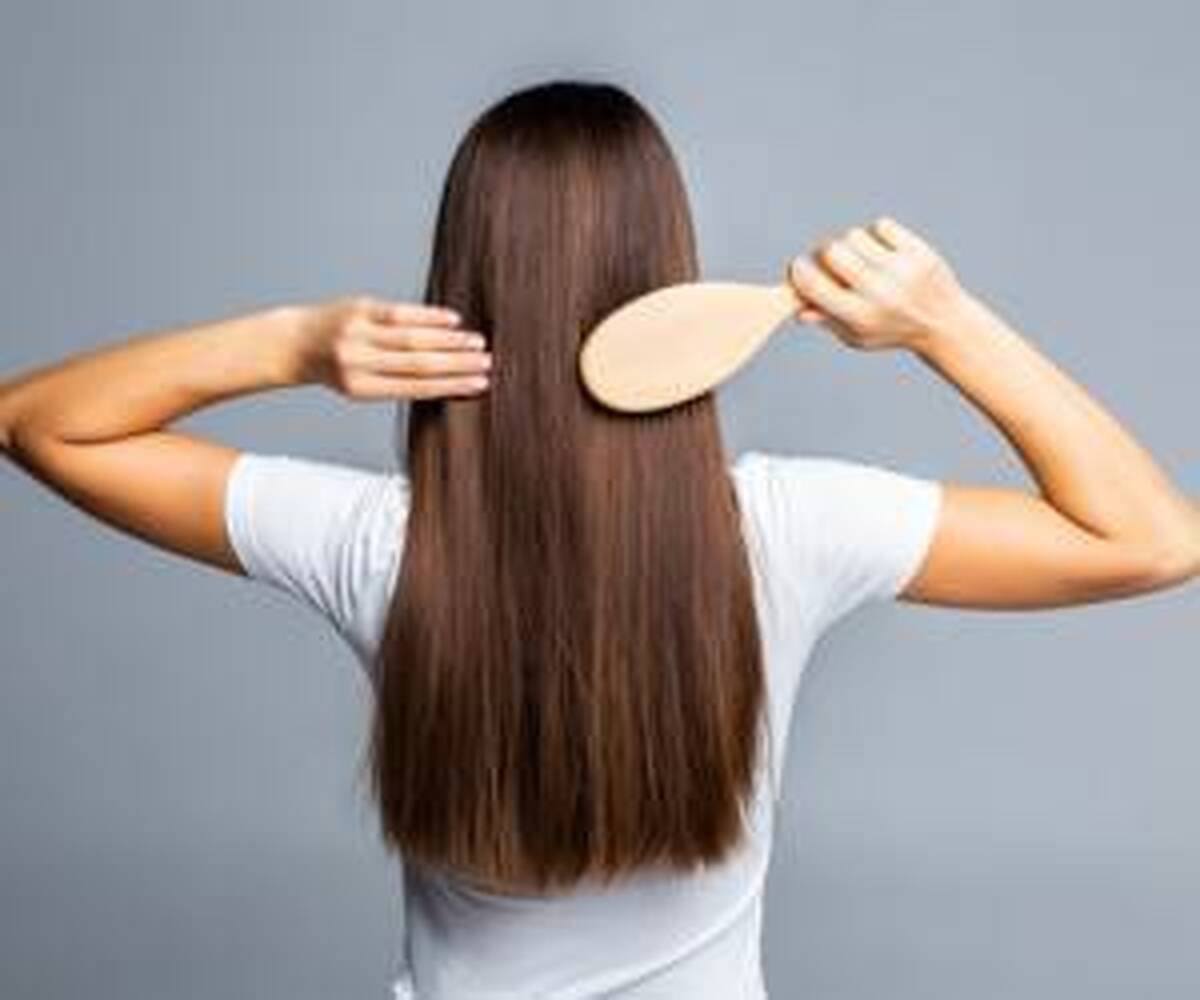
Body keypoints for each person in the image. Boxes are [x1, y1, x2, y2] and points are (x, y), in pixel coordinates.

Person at [1, 79, 1196, 1000]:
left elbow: (36, 423)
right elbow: (1149, 539)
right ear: (664, 270)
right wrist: (947, 323)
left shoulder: (381, 545)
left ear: (462, 282)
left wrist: (289, 344)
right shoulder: (785, 530)